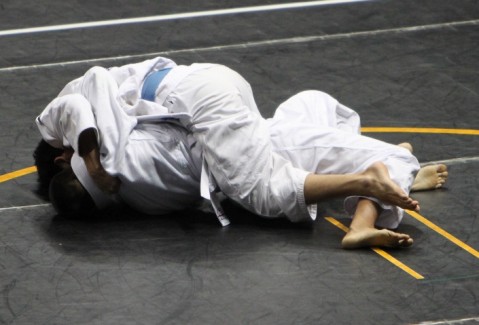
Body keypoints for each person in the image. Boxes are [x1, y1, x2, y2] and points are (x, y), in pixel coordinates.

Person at [35, 57, 448, 249]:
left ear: (61, 156)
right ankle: (389, 166)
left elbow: (71, 112)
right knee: (314, 106)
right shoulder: (106, 133)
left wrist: (94, 166)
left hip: (199, 104)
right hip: (201, 90)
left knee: (263, 192)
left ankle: (371, 182)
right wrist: (91, 163)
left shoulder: (104, 156)